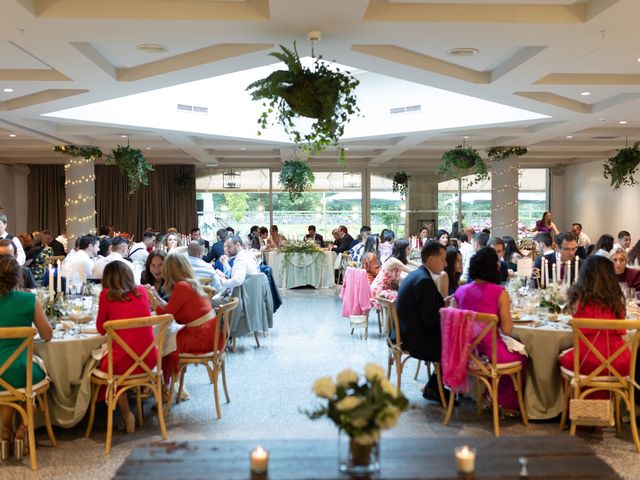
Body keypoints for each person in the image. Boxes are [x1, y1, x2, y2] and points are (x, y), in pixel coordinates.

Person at [454, 247, 526, 413]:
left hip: (466, 353)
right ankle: (505, 403)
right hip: (490, 353)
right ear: (494, 268)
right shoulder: (500, 293)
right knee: (522, 357)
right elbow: (507, 329)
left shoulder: (460, 291)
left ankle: (487, 395)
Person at [0, 255, 52, 458]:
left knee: (5, 380)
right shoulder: (29, 300)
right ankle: (22, 429)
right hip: (23, 372)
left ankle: (4, 433)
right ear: (18, 277)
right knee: (29, 383)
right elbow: (47, 335)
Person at [96, 261, 156, 433]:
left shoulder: (106, 294)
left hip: (122, 363)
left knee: (106, 364)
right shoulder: (142, 291)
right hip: (149, 359)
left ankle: (126, 413)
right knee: (121, 356)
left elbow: (101, 329)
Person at [146, 253, 217, 394]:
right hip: (208, 332)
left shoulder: (182, 286)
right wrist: (155, 295)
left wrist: (151, 298)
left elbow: (167, 314)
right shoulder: (189, 282)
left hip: (201, 336)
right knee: (166, 338)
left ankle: (163, 387)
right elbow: (171, 309)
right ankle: (163, 386)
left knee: (163, 343)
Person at [559, 256, 629, 383]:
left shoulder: (578, 301)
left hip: (585, 361)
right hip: (620, 363)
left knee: (560, 358)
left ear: (584, 276)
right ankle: (616, 401)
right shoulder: (617, 303)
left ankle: (576, 399)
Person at [396, 241, 446, 402]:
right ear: (431, 260)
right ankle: (435, 387)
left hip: (405, 331)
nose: (445, 263)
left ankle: (435, 385)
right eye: (442, 259)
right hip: (413, 338)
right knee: (456, 343)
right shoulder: (424, 280)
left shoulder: (417, 275)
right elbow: (430, 319)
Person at [370, 239, 414, 309]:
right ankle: (401, 318)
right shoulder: (395, 261)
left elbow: (414, 264)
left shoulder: (396, 259)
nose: (410, 250)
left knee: (408, 294)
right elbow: (412, 272)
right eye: (408, 248)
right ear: (402, 250)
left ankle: (398, 318)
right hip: (379, 291)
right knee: (407, 297)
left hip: (385, 289)